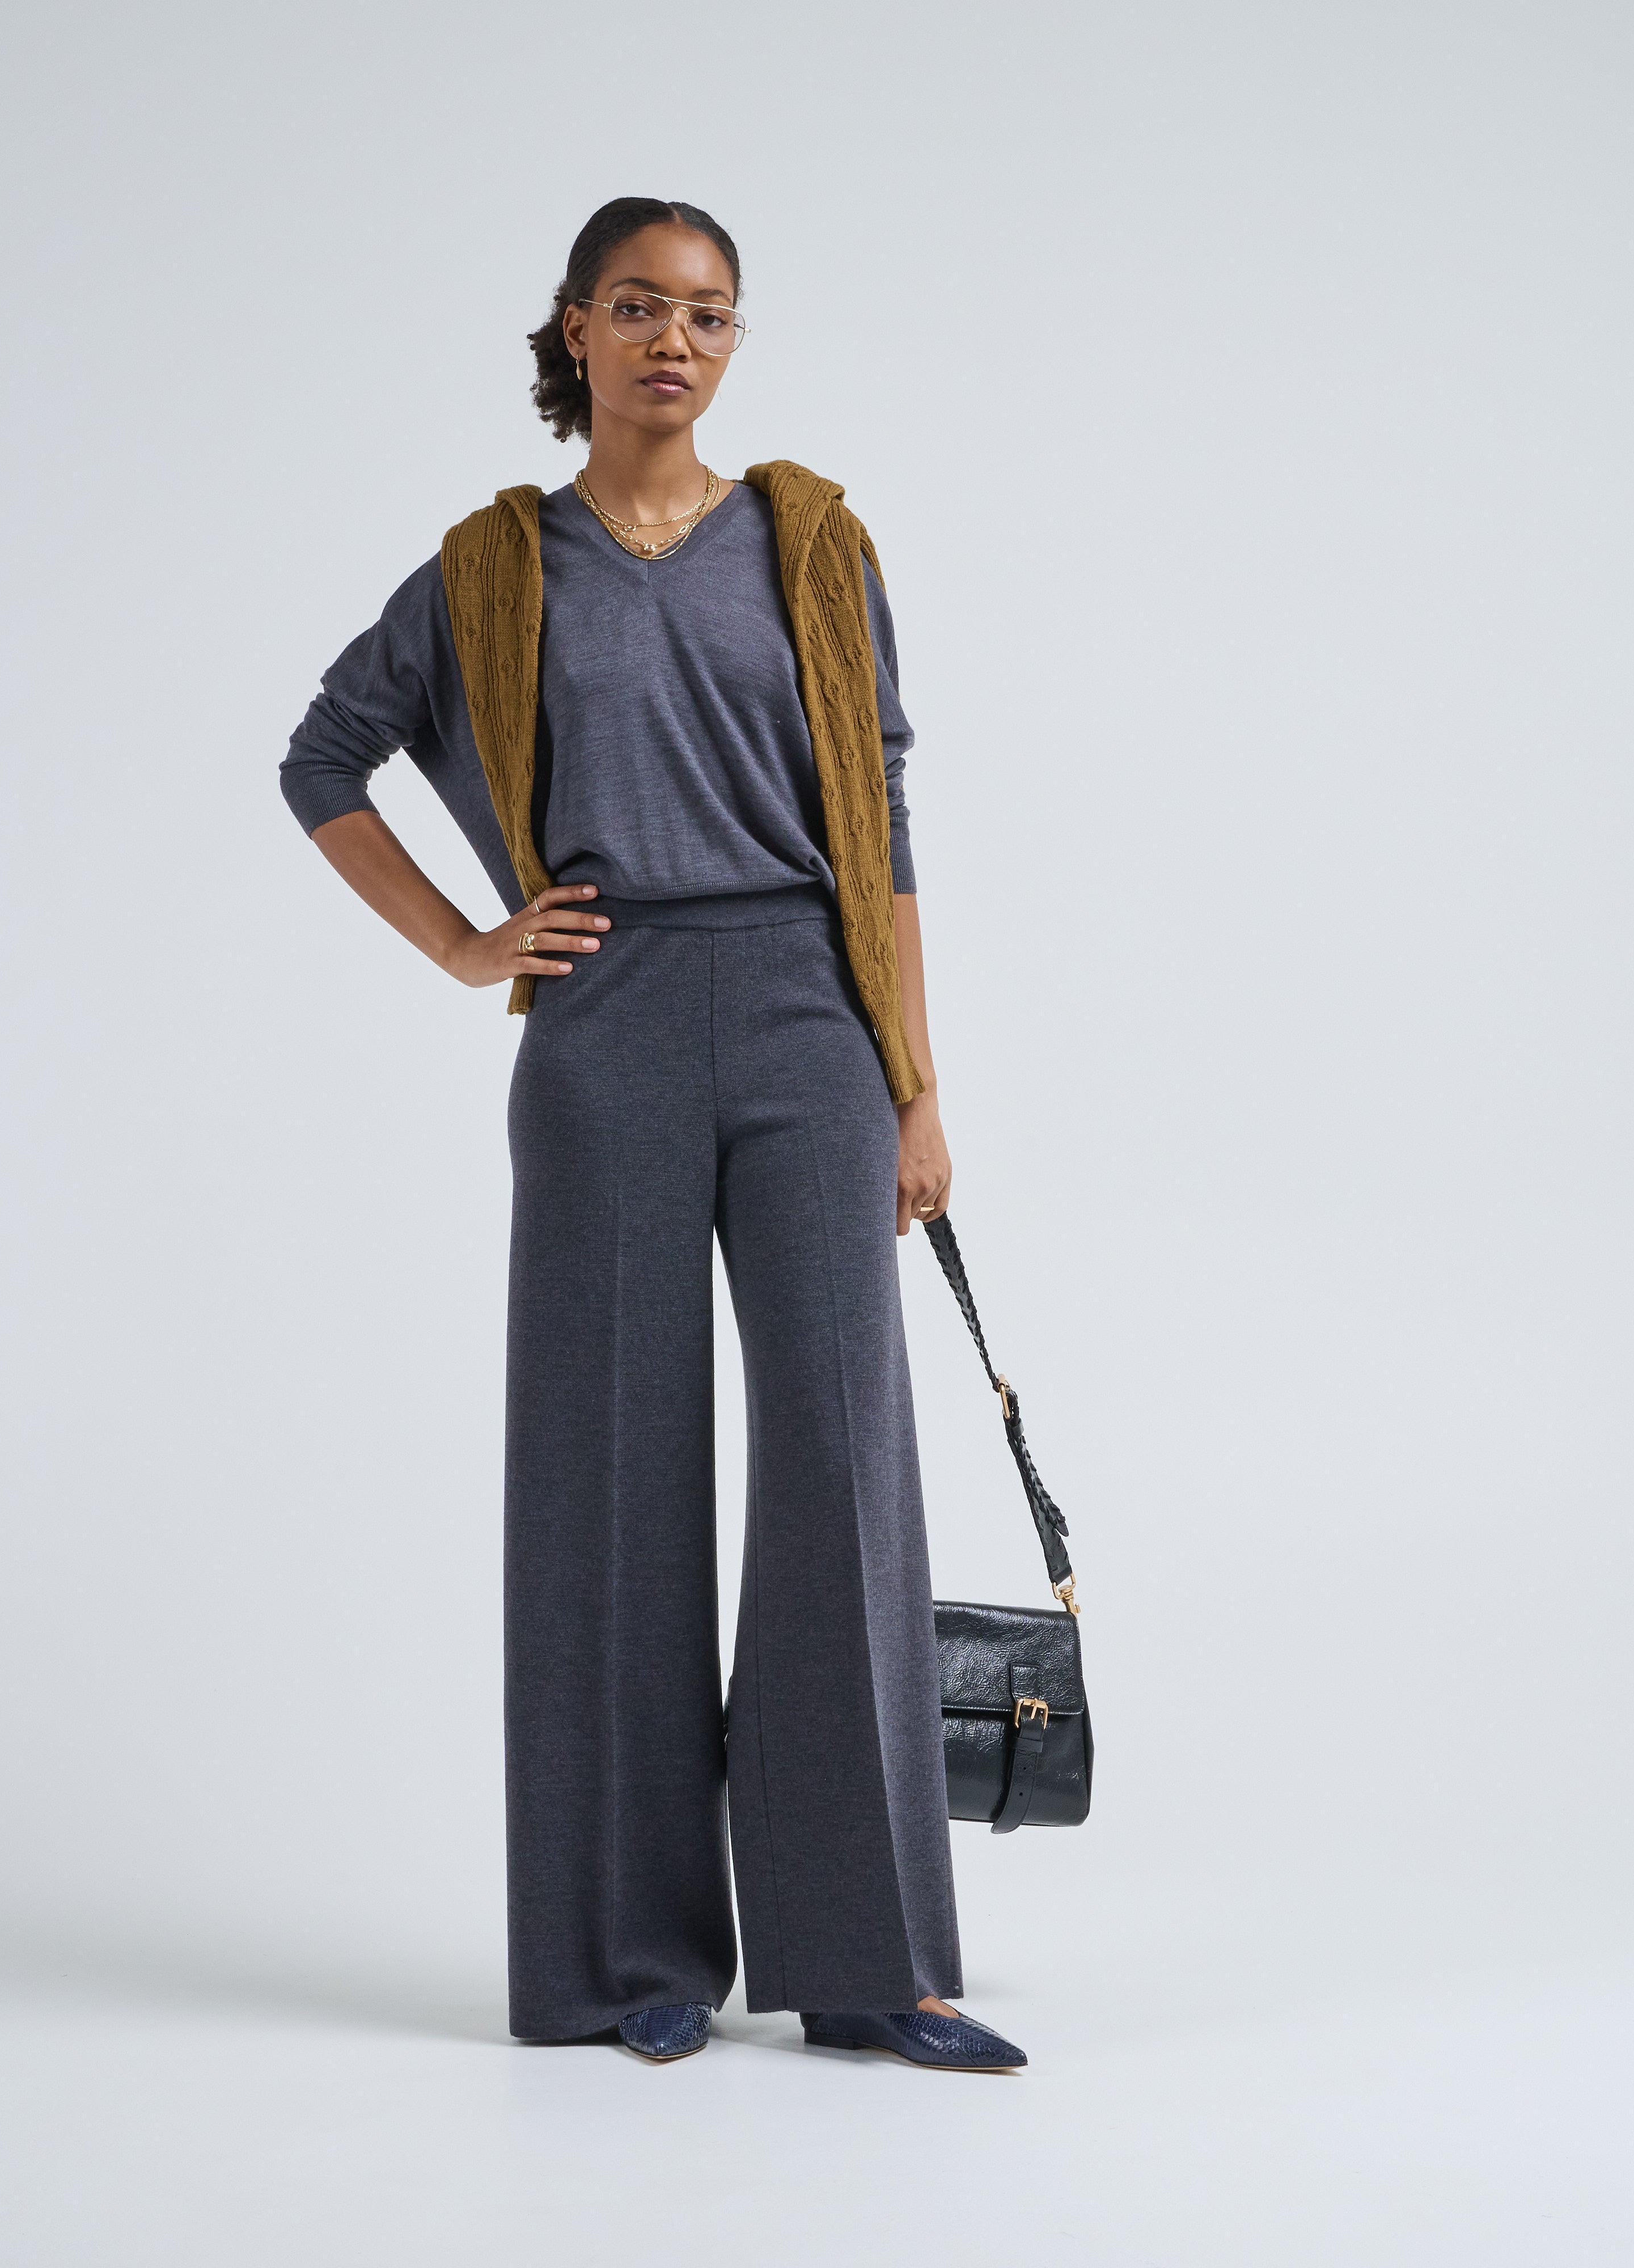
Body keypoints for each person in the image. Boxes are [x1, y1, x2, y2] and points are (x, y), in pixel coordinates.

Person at [281, 197, 1026, 2073]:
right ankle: (631, 1964)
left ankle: (867, 1962)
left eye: (707, 313)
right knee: (606, 1477)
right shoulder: (491, 567)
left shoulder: (813, 541)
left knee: (844, 1468)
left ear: (732, 341)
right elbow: (321, 760)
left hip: (808, 1016)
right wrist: (468, 944)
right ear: (575, 330)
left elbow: (885, 820)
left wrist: (918, 1084)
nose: (673, 340)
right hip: (605, 1021)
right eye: (637, 307)